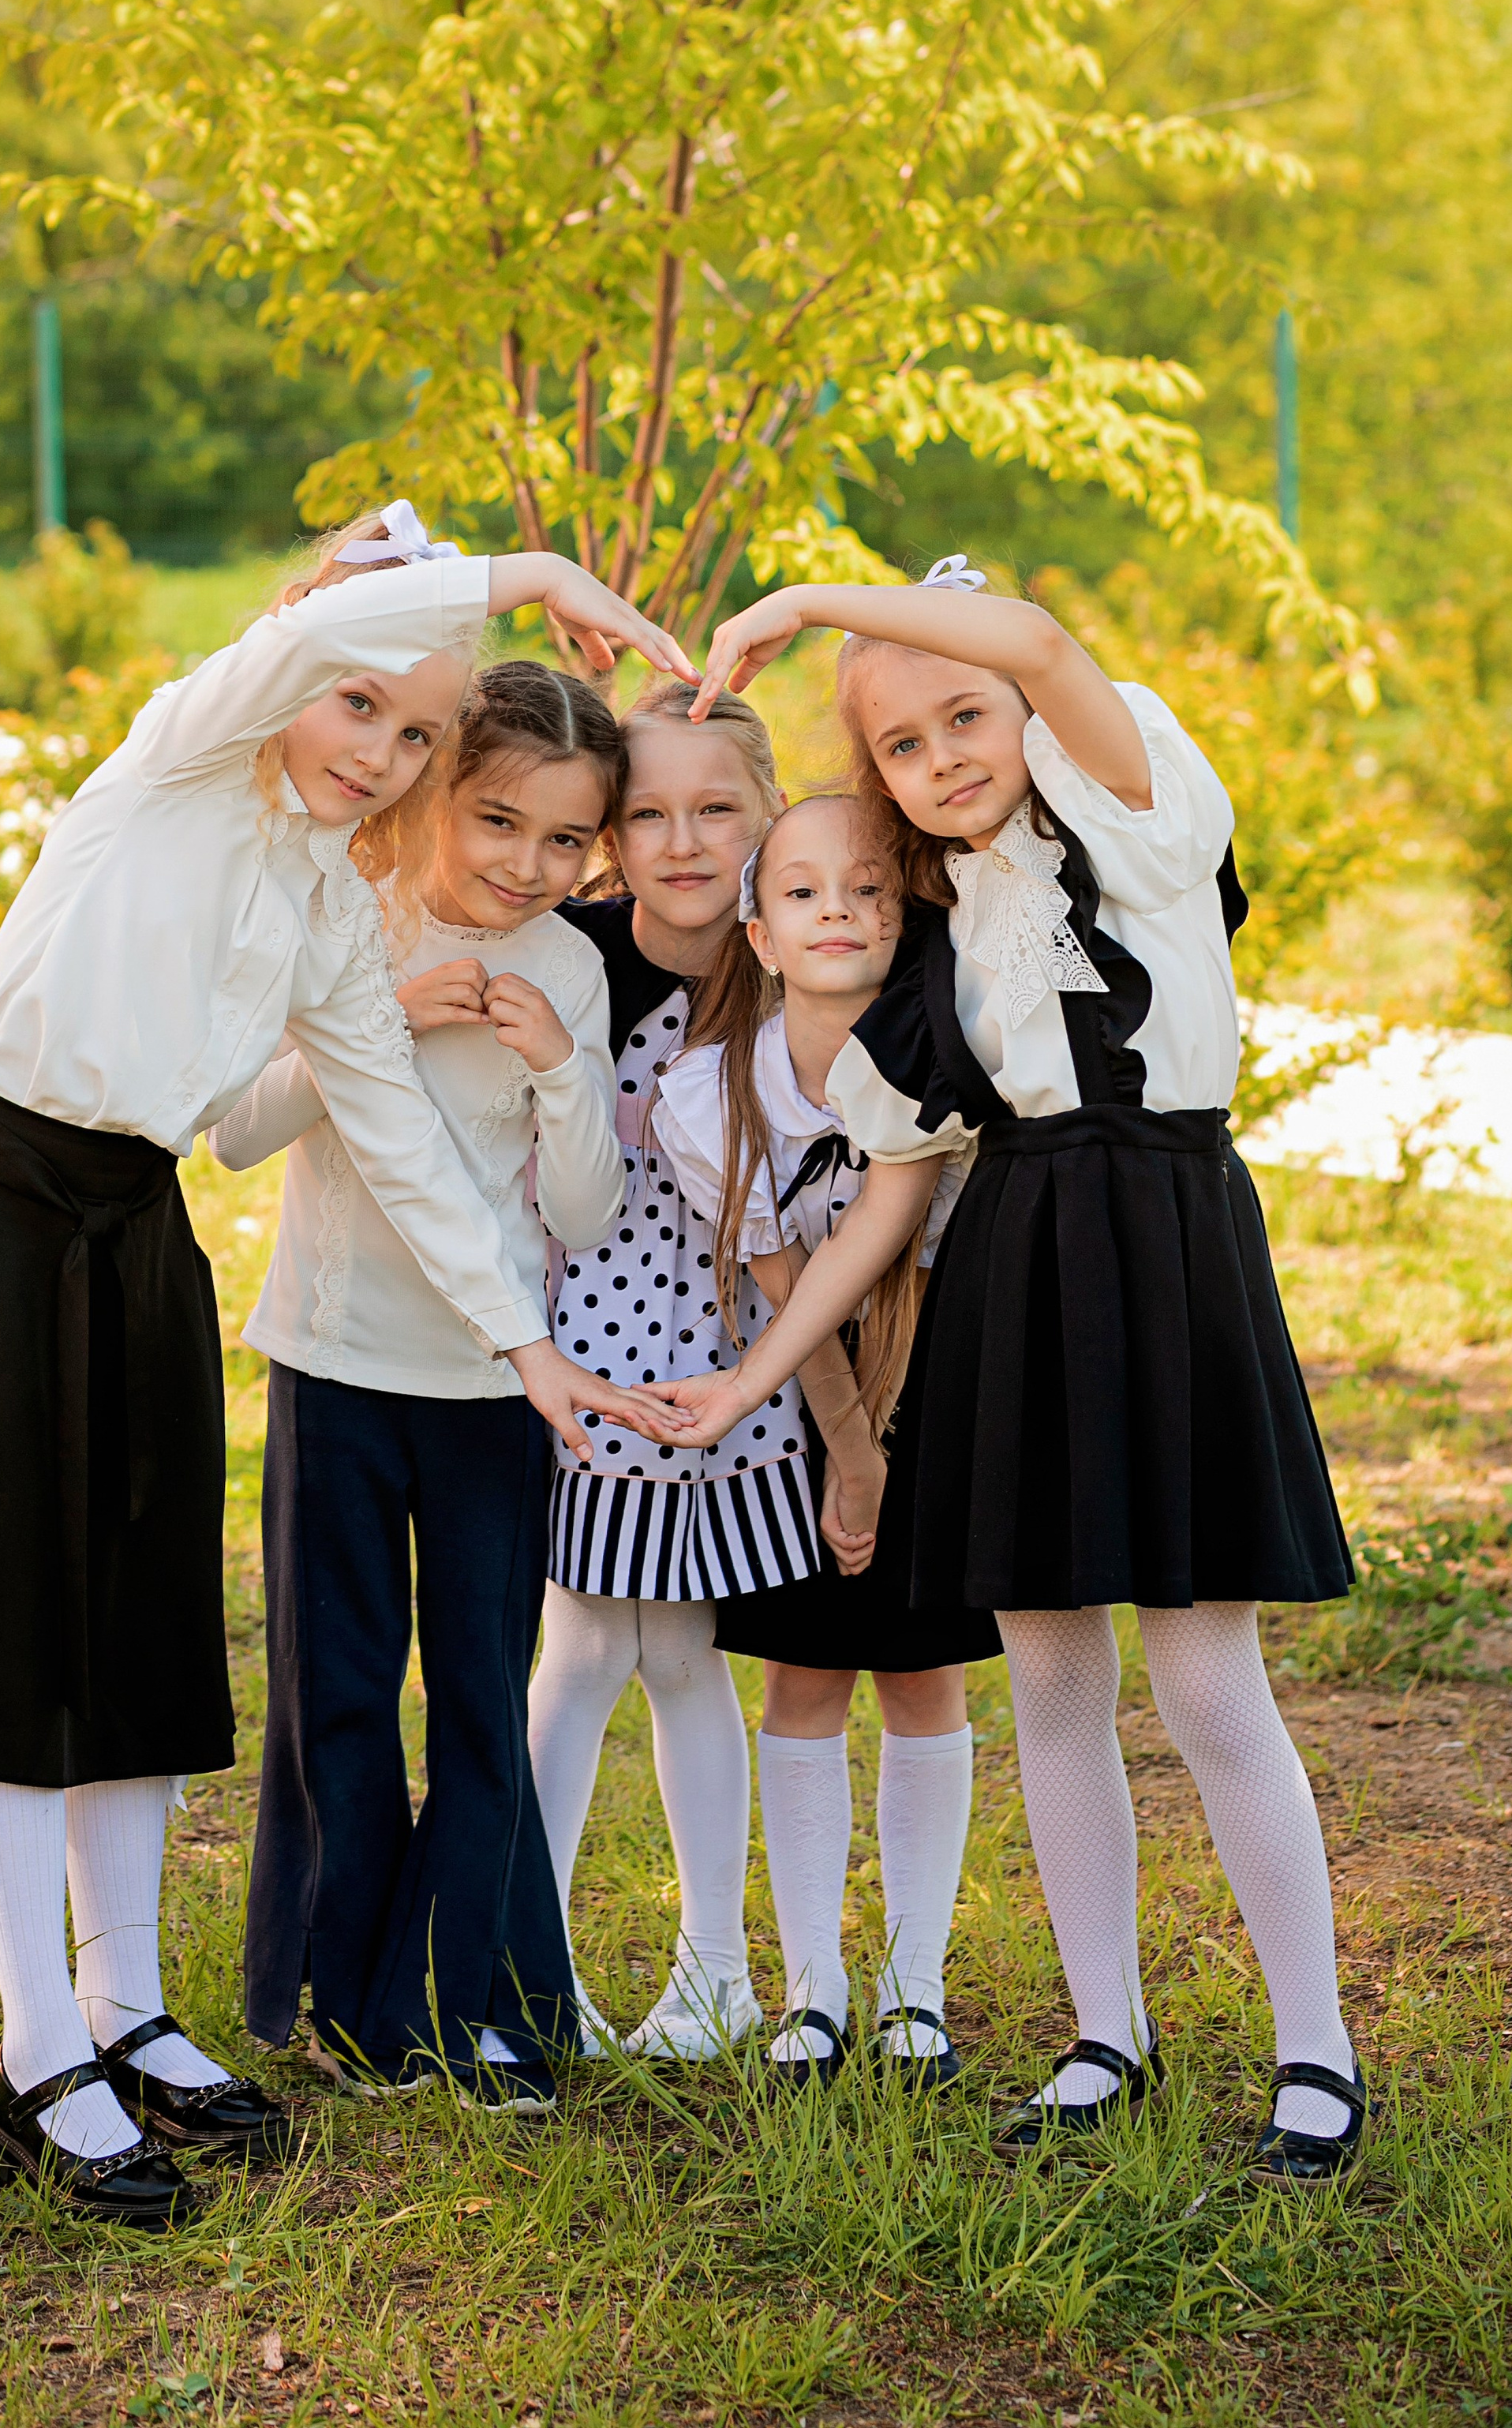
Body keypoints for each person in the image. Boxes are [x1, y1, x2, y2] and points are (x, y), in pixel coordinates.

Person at [0, 510, 685, 2221]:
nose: (374, 751)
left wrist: (526, 1347)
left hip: (134, 1241)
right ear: (293, 666)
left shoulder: (331, 902)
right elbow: (322, 639)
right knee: (14, 1657)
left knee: (138, 1646)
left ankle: (130, 2011)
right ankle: (39, 2062)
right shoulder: (177, 760)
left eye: (411, 732)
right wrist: (525, 584)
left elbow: (392, 1129)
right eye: (356, 708)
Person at [647, 559, 1365, 2185]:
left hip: (1165, 1240)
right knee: (1046, 1676)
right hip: (1016, 1268)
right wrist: (759, 1372)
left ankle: (1312, 2048)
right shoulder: (948, 924)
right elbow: (893, 1189)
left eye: (961, 714)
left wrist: (813, 602)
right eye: (897, 744)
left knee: (1200, 1678)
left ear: (1026, 703)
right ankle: (1101, 2027)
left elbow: (1041, 641)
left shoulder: (1135, 807)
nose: (942, 755)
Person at [210, 661, 629, 2111]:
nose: (529, 866)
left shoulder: (571, 967)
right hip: (332, 1370)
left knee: (475, 1700)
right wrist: (373, 1021)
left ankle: (468, 1998)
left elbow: (580, 1211)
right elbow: (236, 1133)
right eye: (500, 820)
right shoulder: (345, 918)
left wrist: (564, 1070)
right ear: (437, 786)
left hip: (490, 1398)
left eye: (567, 842)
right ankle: (337, 1990)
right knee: (335, 1686)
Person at [653, 793, 996, 2089]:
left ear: (907, 918)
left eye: (868, 886)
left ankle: (915, 1985)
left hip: (944, 1390)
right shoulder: (716, 1093)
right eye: (802, 891)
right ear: (758, 927)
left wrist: (890, 1455)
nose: (839, 908)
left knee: (924, 1680)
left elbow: (904, 1259)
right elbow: (791, 1277)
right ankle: (813, 1988)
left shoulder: (949, 1058)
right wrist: (847, 1452)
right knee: (801, 1681)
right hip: (799, 1402)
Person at [524, 684, 785, 2058]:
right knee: (576, 1647)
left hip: (736, 1366)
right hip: (588, 1351)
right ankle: (534, 1963)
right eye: (649, 814)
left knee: (686, 1653)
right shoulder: (572, 953)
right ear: (612, 832)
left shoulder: (796, 952)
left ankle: (715, 1973)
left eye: (717, 808)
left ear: (768, 814)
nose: (683, 840)